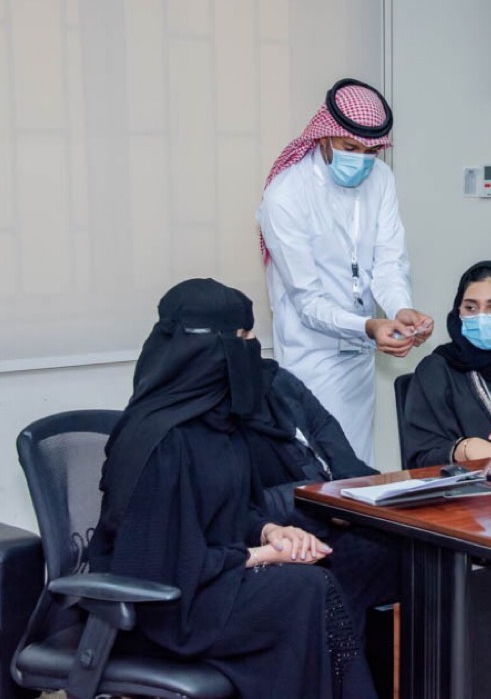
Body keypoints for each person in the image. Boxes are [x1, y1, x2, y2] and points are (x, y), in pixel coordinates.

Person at [88, 278, 375, 699]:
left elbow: (228, 512)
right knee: (305, 590)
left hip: (211, 582)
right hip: (164, 608)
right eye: (244, 336)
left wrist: (270, 531)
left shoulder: (218, 424)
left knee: (329, 575)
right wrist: (262, 556)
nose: (253, 347)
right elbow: (161, 565)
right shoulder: (159, 440)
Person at [257, 78, 432, 467]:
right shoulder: (286, 195)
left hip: (359, 354)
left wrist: (400, 309)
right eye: (350, 148)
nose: (362, 160)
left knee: (357, 468)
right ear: (324, 137)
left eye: (371, 151)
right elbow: (308, 302)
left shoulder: (380, 179)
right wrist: (368, 326)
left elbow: (388, 262)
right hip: (311, 354)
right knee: (316, 471)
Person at [249, 358, 399, 640]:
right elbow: (243, 503)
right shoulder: (217, 405)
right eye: (242, 337)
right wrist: (323, 500)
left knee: (419, 552)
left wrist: (356, 492)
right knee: (366, 561)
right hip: (289, 530)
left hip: (339, 512)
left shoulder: (279, 380)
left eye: (249, 335)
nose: (249, 343)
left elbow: (330, 436)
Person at [402, 261, 491, 468]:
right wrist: (462, 449)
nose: (482, 317)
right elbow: (420, 456)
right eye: (471, 308)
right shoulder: (436, 369)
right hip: (465, 485)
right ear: (459, 312)